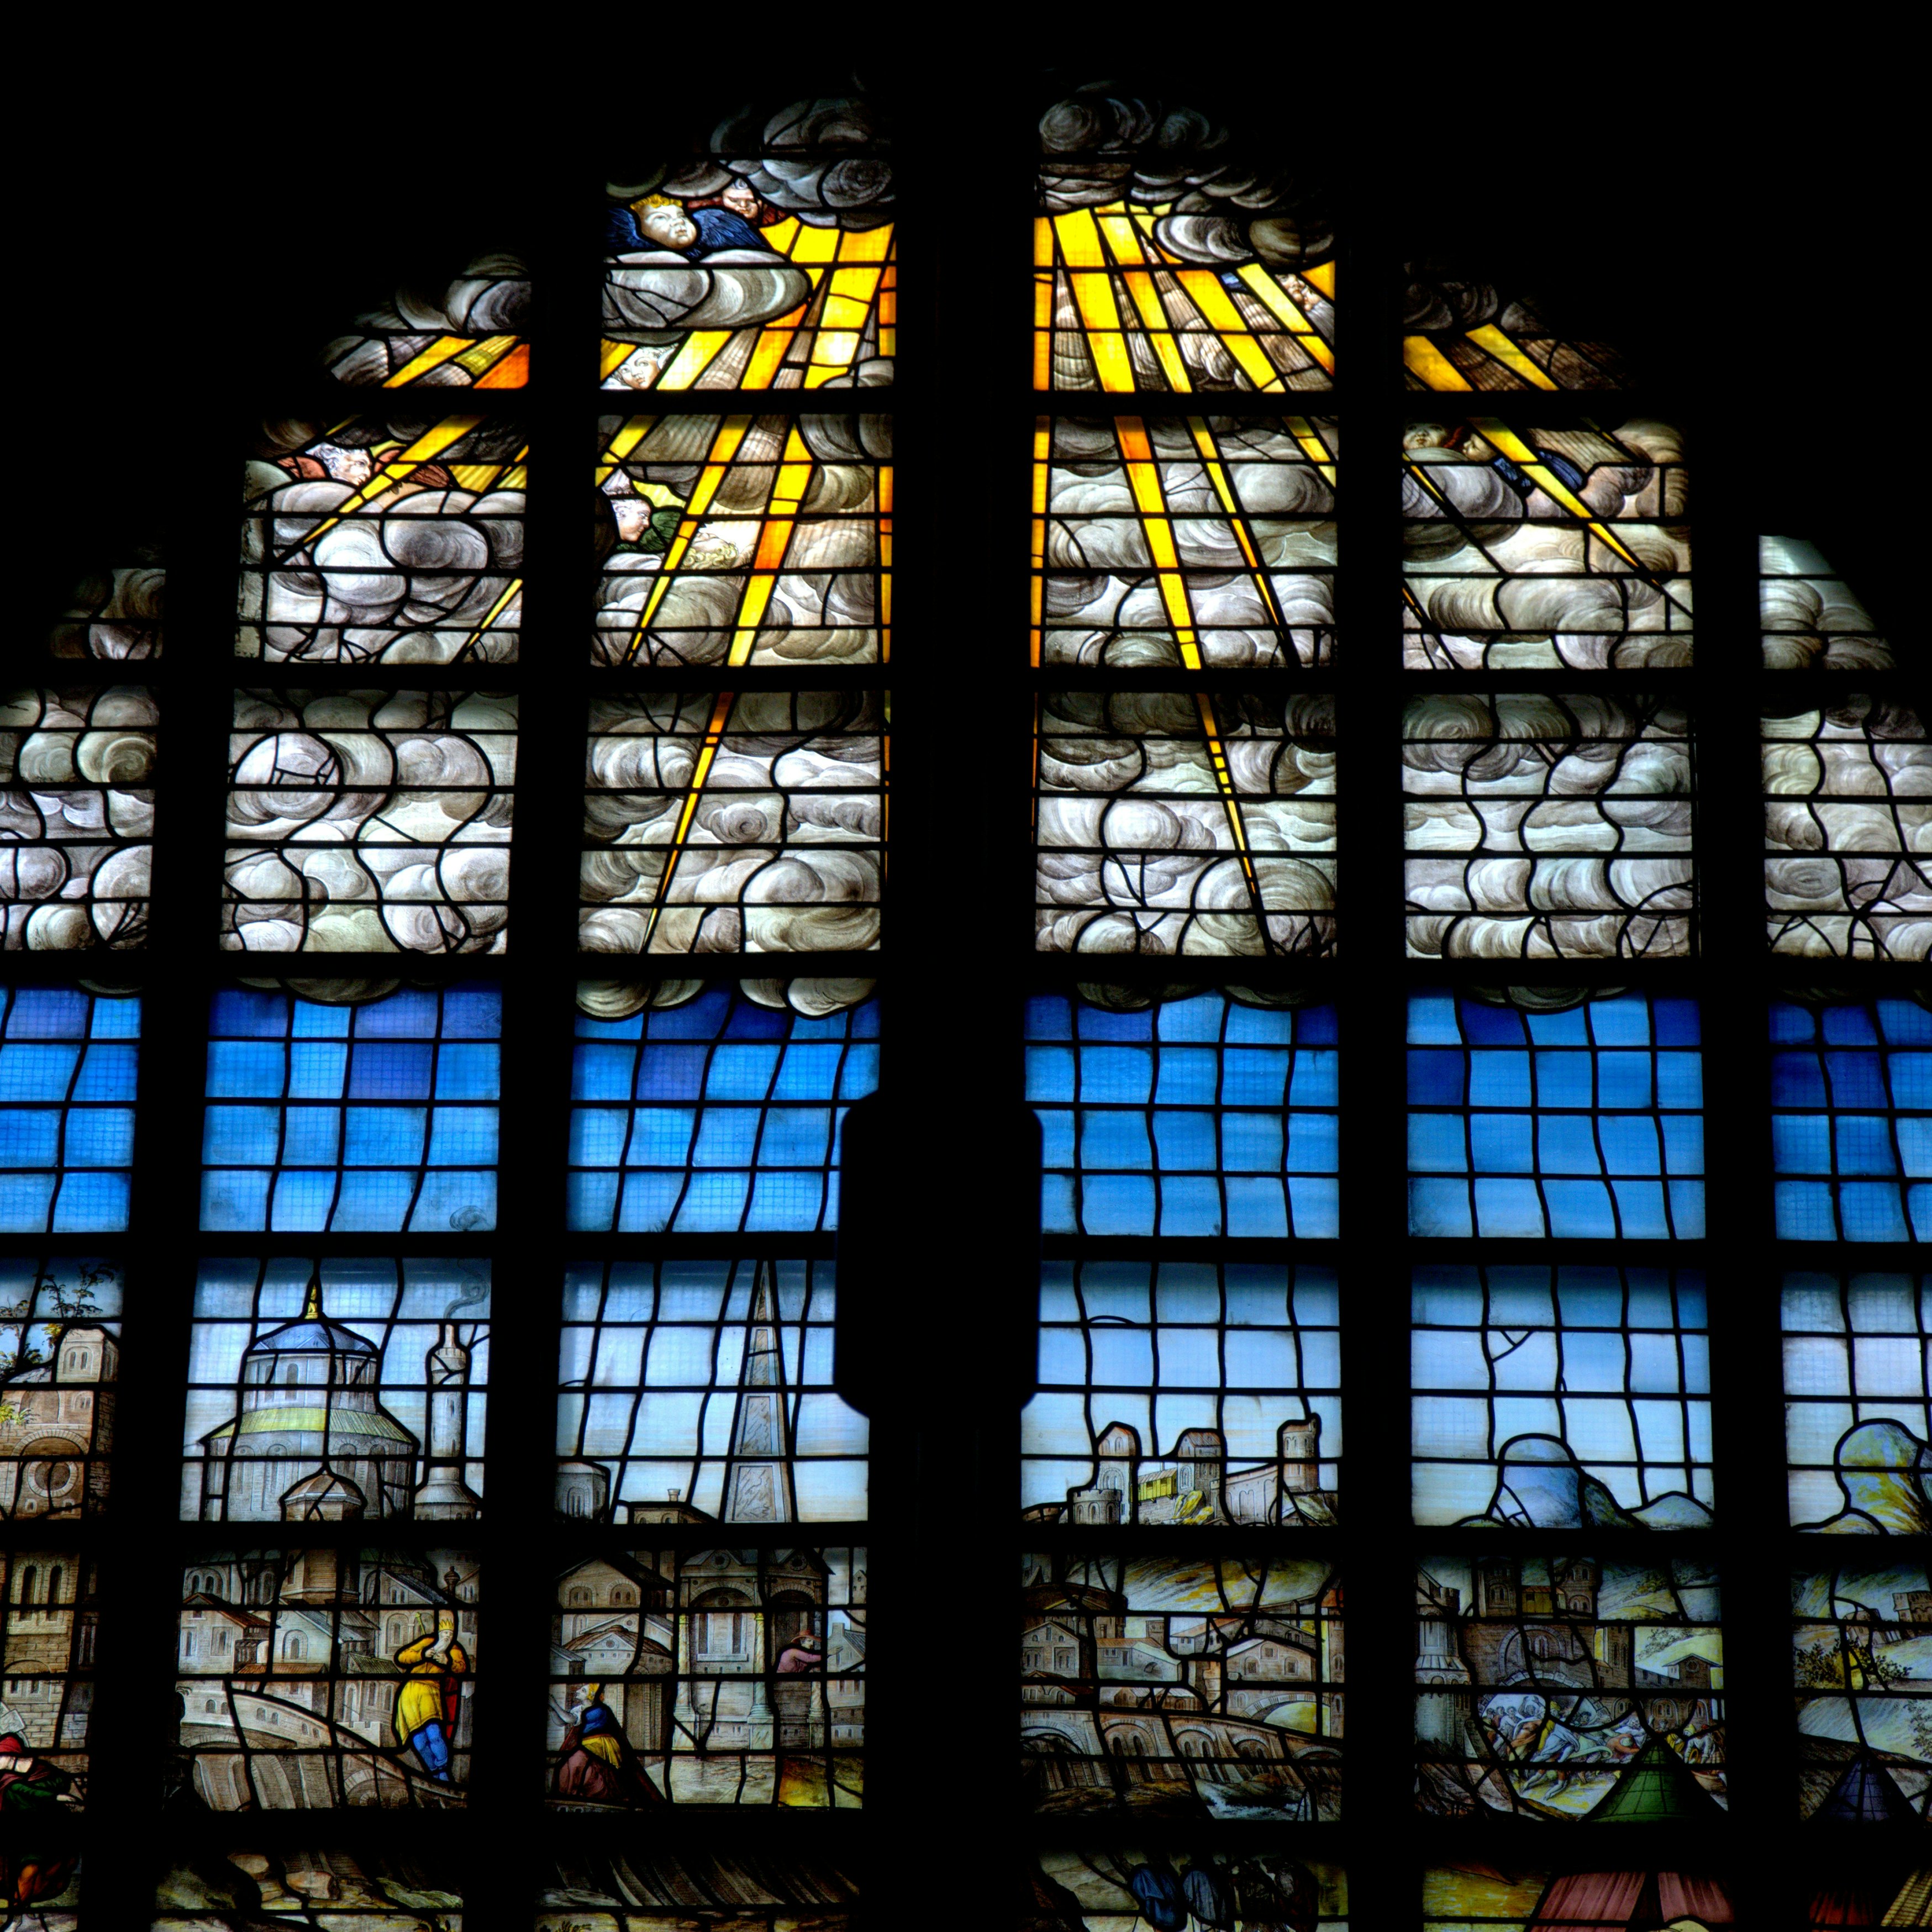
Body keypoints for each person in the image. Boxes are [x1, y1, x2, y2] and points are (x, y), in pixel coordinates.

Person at [555, 1683, 661, 1805]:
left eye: (583, 1690)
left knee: (581, 1759)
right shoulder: (578, 1709)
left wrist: (554, 1705)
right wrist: (552, 1711)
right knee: (565, 1765)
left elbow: (571, 1719)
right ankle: (569, 1793)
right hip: (586, 1742)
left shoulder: (600, 1710)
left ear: (591, 1696)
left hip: (601, 1742)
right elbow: (561, 1721)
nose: (578, 1691)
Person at [393, 1613, 469, 1783]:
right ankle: (433, 1773)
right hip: (409, 1694)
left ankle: (443, 1771)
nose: (447, 1637)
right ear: (439, 1634)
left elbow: (462, 1669)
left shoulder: (455, 1650)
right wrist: (423, 1654)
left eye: (450, 1634)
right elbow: (402, 1657)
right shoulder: (427, 1643)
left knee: (434, 1734)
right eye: (445, 1634)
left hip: (430, 1693)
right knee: (419, 1742)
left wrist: (447, 1662)